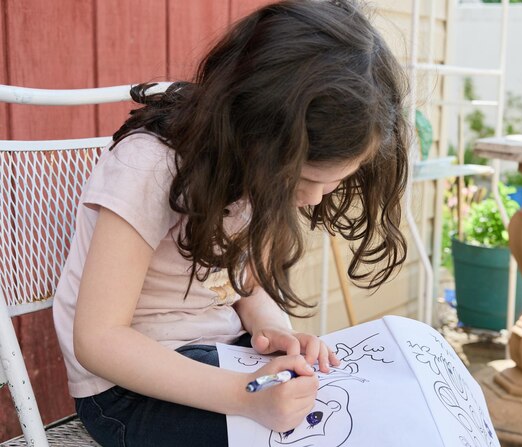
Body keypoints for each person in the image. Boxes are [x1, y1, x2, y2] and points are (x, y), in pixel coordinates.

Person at [53, 0, 409, 445]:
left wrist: (272, 329)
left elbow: (244, 285)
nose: (314, 198)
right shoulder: (150, 166)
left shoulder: (254, 166)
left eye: (334, 183)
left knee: (361, 416)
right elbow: (99, 339)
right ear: (255, 129)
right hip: (128, 389)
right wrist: (244, 396)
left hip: (224, 359)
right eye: (306, 179)